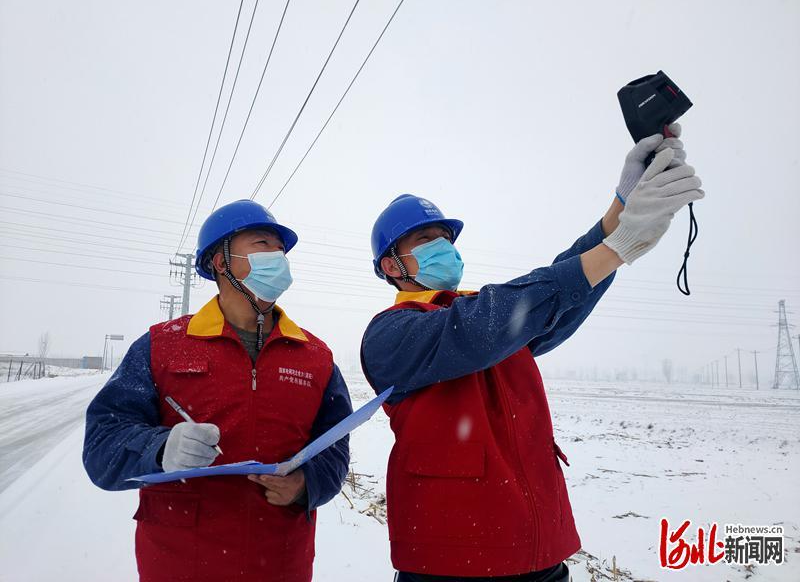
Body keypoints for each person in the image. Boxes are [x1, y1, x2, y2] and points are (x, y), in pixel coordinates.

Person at [360, 128, 703, 581]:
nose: (444, 246)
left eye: (446, 237)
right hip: (453, 562)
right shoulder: (389, 335)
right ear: (391, 265)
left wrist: (622, 205)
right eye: (426, 239)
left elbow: (555, 301)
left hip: (538, 551)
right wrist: (615, 250)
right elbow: (488, 323)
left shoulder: (491, 317)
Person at [83, 199, 352, 582]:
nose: (277, 257)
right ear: (221, 261)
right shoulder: (162, 345)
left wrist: (308, 483)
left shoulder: (315, 357)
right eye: (263, 244)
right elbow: (100, 445)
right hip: (180, 564)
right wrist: (160, 449)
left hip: (280, 562)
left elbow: (335, 446)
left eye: (281, 249)